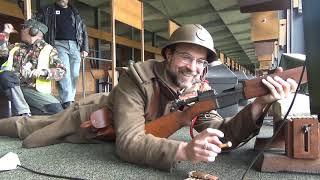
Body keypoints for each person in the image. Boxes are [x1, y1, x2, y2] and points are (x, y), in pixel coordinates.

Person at [0, 24, 297, 171]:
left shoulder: (197, 89)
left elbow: (224, 134)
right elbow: (128, 142)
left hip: (118, 132)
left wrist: (259, 104)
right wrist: (182, 152)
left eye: (200, 62)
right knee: (30, 129)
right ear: (167, 54)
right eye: (185, 57)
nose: (192, 68)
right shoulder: (138, 77)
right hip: (89, 118)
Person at [0, 19, 66, 116]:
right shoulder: (16, 47)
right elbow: (2, 52)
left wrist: (44, 72)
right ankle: (24, 112)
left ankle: (27, 112)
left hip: (32, 91)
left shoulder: (48, 49)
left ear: (33, 31)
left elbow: (62, 71)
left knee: (56, 110)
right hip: (11, 87)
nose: (21, 30)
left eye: (24, 28)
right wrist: (5, 33)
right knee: (6, 75)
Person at [36, 0, 89, 109]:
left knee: (74, 74)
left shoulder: (75, 12)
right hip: (58, 44)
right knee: (65, 72)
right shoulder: (48, 10)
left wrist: (85, 48)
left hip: (75, 45)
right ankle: (67, 101)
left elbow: (83, 31)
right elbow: (37, 23)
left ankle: (70, 98)